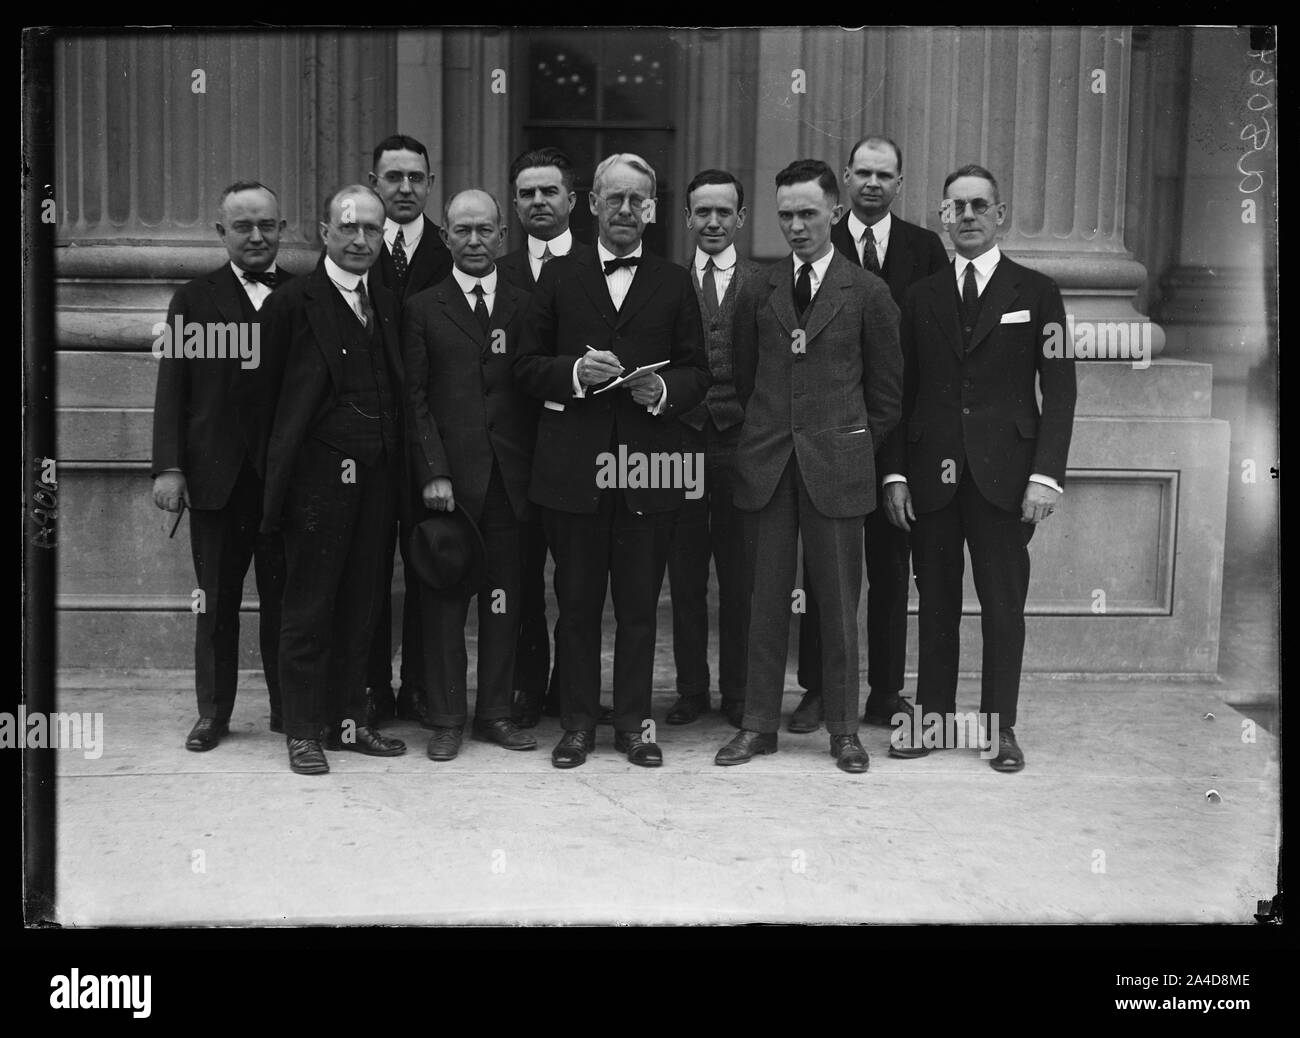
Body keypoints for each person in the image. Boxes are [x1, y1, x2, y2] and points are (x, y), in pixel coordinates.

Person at [514, 152, 709, 769]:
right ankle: (576, 726)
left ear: (651, 210)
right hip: (574, 473)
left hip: (649, 472)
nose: (625, 210)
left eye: (638, 201)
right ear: (592, 204)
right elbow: (521, 365)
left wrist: (665, 392)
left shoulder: (675, 280)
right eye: (614, 199)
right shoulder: (558, 276)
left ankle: (633, 725)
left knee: (638, 611)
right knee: (574, 608)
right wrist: (572, 372)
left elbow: (699, 370)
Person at [881, 163, 1077, 773]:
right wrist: (894, 474)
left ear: (1000, 216)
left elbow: (1061, 390)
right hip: (931, 476)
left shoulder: (1038, 291)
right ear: (943, 217)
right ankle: (933, 719)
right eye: (955, 207)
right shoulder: (919, 297)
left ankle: (1000, 729)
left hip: (1006, 479)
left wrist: (1046, 475)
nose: (966, 216)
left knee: (1001, 606)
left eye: (977, 206)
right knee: (935, 604)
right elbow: (899, 392)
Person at [715, 159, 901, 774]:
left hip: (837, 466)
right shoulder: (756, 289)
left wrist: (850, 446)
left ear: (836, 213)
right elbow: (744, 377)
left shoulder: (867, 292)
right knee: (763, 602)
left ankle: (845, 731)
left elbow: (887, 395)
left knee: (838, 606)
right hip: (768, 464)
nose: (796, 227)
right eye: (786, 215)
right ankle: (758, 725)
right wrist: (765, 436)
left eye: (808, 214)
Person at [790, 134, 950, 734]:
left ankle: (885, 691)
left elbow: (929, 354)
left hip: (893, 437)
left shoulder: (924, 248)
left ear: (900, 183)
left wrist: (899, 457)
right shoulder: (816, 246)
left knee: (888, 566)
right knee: (823, 571)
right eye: (862, 173)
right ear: (844, 184)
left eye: (885, 175)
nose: (873, 184)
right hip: (826, 439)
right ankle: (817, 691)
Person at [259, 185, 410, 775]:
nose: (359, 240)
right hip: (315, 485)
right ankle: (302, 730)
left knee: (362, 606)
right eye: (347, 229)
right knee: (309, 607)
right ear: (324, 233)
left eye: (371, 230)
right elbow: (264, 406)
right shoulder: (291, 304)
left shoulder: (389, 302)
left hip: (376, 481)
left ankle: (349, 723)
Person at [151, 180, 291, 751]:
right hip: (214, 481)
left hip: (284, 482)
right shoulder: (194, 298)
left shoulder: (306, 295)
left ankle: (291, 709)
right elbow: (173, 389)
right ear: (221, 233)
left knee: (288, 603)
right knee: (215, 603)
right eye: (242, 226)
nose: (256, 236)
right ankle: (213, 713)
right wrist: (169, 467)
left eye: (266, 225)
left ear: (282, 229)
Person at [403, 189, 538, 761]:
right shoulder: (423, 308)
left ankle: (495, 714)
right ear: (445, 237)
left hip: (510, 482)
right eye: (463, 231)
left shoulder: (526, 304)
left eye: (485, 230)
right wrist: (434, 472)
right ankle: (447, 717)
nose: (475, 241)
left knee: (504, 599)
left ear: (502, 235)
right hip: (449, 487)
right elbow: (414, 398)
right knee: (445, 603)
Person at [496, 147, 595, 727]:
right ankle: (525, 689)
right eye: (528, 193)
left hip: (579, 451)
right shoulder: (495, 269)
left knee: (579, 582)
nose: (538, 202)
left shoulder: (595, 265)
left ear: (572, 201)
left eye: (549, 192)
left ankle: (572, 691)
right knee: (519, 579)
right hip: (512, 454)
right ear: (515, 203)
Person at [664, 168, 761, 730]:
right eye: (702, 212)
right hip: (680, 445)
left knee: (739, 575)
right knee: (685, 574)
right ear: (687, 219)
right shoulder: (669, 282)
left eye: (724, 212)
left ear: (740, 219)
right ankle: (690, 689)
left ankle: (740, 692)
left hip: (741, 445)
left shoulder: (762, 283)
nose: (713, 222)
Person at [363, 134, 454, 728]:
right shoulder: (355, 251)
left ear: (429, 184)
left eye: (415, 178)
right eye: (392, 177)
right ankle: (371, 688)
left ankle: (422, 686)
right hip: (367, 445)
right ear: (374, 183)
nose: (403, 188)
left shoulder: (456, 256)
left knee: (429, 567)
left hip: (431, 442)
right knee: (368, 569)